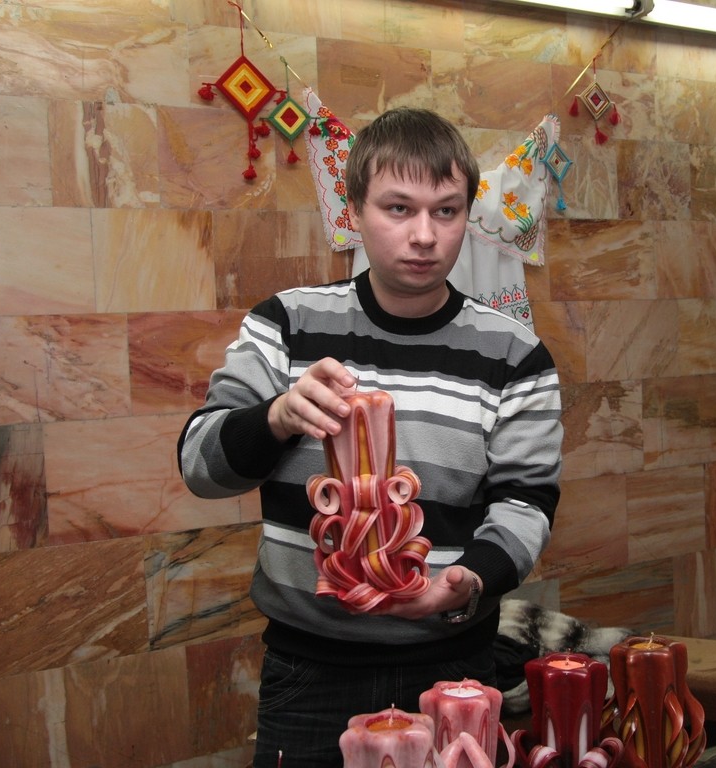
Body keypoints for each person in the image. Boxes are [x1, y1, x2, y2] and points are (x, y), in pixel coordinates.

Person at [177, 107, 563, 768]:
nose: (424, 236)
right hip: (310, 673)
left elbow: (526, 502)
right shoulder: (287, 324)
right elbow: (200, 465)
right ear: (354, 210)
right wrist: (277, 417)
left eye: (446, 212)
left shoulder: (515, 354)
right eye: (398, 208)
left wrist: (470, 580)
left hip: (454, 666)